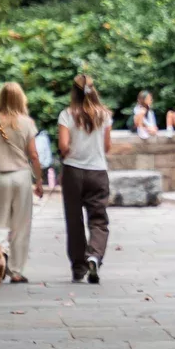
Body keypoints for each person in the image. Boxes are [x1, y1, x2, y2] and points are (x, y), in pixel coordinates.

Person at [0, 82, 42, 284]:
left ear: (0, 98)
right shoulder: (27, 122)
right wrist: (39, 180)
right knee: (21, 225)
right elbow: (33, 154)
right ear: (21, 98)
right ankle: (16, 271)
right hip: (21, 177)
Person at [57, 74, 112, 284]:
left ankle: (79, 267)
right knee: (98, 219)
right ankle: (94, 255)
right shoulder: (104, 115)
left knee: (74, 220)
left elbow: (63, 145)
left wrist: (71, 151)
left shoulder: (67, 114)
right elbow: (107, 147)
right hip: (98, 171)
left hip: (73, 171)